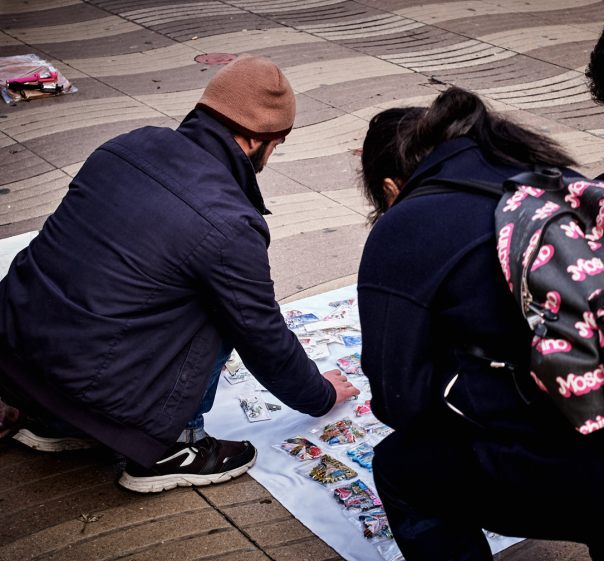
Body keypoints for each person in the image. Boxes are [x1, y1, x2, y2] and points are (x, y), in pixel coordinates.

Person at [355, 87, 604, 561]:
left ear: (392, 188)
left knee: (401, 469)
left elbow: (400, 402)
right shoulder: (557, 179)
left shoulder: (408, 224)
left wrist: (466, 381)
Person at [0, 54, 359, 494]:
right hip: (91, 381)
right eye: (276, 144)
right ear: (254, 139)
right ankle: (175, 447)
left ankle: (54, 420)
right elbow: (259, 333)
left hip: (15, 355)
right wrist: (319, 395)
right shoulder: (228, 221)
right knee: (220, 308)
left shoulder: (126, 145)